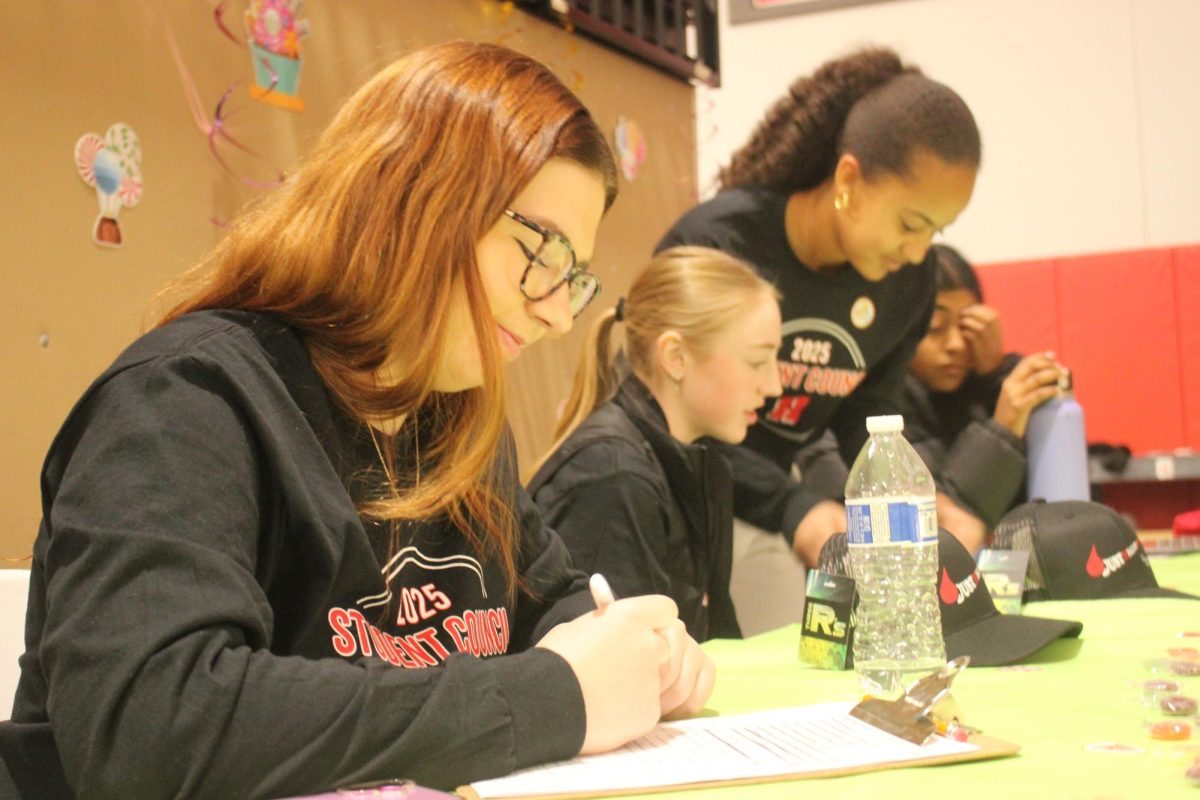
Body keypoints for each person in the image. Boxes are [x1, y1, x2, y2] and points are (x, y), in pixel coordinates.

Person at [3, 41, 713, 800]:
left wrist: (643, 651)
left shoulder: (455, 420)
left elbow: (554, 601)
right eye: (542, 251)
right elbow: (150, 729)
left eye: (573, 278)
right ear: (412, 196)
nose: (553, 312)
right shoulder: (188, 400)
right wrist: (552, 697)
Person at [656, 46, 984, 566]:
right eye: (909, 224)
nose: (920, 252)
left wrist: (911, 495)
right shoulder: (717, 246)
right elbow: (668, 415)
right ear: (850, 182)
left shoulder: (907, 283)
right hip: (672, 511)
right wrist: (791, 506)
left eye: (936, 230)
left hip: (772, 510)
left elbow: (866, 412)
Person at [527, 247, 783, 642]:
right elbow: (615, 668)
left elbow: (718, 640)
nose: (774, 386)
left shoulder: (706, 464)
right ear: (676, 357)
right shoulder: (613, 477)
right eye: (756, 362)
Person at [798, 244, 1066, 540]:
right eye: (936, 327)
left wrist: (995, 376)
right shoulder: (862, 410)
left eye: (967, 327)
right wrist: (1002, 428)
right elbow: (943, 527)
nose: (955, 344)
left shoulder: (989, 386)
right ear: (898, 330)